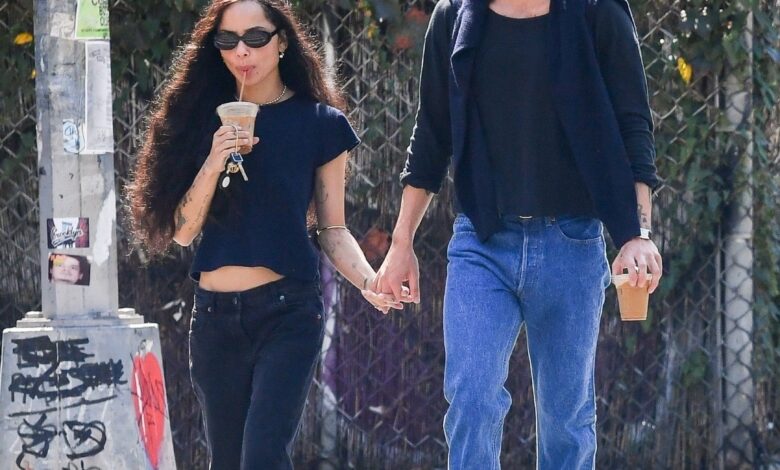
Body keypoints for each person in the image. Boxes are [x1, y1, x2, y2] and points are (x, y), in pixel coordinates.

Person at [373, 0, 663, 468]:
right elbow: (431, 133)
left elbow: (633, 122)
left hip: (572, 238)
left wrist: (638, 233)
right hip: (483, 241)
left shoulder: (597, 12)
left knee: (566, 420)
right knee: (471, 398)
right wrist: (401, 242)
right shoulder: (454, 17)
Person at [126, 1, 402, 468]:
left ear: (282, 42)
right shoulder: (201, 120)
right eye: (227, 41)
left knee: (262, 455)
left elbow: (333, 228)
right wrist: (215, 159)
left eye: (255, 38)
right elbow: (183, 232)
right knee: (228, 460)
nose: (242, 52)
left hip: (287, 312)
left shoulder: (320, 124)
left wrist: (369, 281)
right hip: (214, 317)